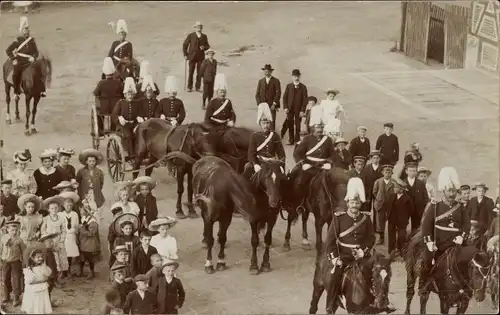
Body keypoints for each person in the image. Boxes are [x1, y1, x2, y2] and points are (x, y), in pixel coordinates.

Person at [324, 177, 376, 310]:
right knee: (334, 277)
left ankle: (377, 301)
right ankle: (330, 304)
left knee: (377, 273)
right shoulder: (338, 218)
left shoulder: (366, 218)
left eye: (357, 203)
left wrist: (363, 251)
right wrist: (334, 258)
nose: (354, 206)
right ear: (347, 203)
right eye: (352, 202)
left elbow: (371, 238)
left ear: (360, 204)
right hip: (343, 256)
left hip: (360, 256)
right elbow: (330, 241)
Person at [420, 167, 470, 293]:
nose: (452, 194)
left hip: (457, 244)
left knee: (470, 261)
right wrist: (429, 242)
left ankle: (468, 286)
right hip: (439, 243)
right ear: (443, 191)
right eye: (449, 191)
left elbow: (466, 223)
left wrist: (462, 236)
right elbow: (426, 225)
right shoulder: (435, 206)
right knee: (426, 260)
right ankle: (424, 285)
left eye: (454, 191)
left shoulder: (461, 206)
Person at [289, 105, 335, 208]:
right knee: (300, 182)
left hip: (324, 167)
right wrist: (304, 163)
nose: (320, 130)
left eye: (321, 127)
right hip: (310, 166)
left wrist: (329, 163)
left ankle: (335, 205)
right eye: (318, 127)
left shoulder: (327, 140)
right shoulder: (307, 139)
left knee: (336, 182)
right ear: (313, 128)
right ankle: (300, 204)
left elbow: (332, 154)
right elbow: (297, 153)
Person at [243, 102, 286, 179]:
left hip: (272, 163)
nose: (266, 126)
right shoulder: (255, 136)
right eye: (263, 123)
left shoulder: (275, 136)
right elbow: (251, 154)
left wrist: (280, 164)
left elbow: (281, 154)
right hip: (260, 162)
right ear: (260, 124)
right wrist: (255, 164)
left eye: (268, 123)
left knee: (284, 179)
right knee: (247, 170)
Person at [6, 16, 44, 100]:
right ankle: (16, 93)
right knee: (16, 73)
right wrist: (13, 59)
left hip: (30, 61)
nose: (26, 32)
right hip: (20, 61)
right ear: (22, 31)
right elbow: (8, 50)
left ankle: (41, 90)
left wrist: (34, 58)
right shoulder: (18, 40)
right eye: (25, 30)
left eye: (27, 30)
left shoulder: (31, 40)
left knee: (39, 69)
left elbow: (36, 52)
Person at [41, 195, 68, 280]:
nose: (54, 210)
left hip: (59, 241)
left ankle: (60, 276)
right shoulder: (46, 219)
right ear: (48, 209)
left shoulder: (61, 218)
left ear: (58, 208)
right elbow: (43, 231)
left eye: (56, 208)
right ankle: (53, 277)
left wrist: (61, 241)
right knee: (53, 260)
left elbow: (64, 230)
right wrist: (48, 239)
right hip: (49, 241)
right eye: (52, 208)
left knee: (61, 259)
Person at [94, 57, 123, 133]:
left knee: (98, 113)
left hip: (104, 109)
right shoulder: (118, 83)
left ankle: (100, 129)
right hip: (117, 108)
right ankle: (116, 128)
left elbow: (96, 93)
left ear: (104, 73)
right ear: (113, 73)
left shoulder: (101, 83)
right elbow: (123, 93)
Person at [113, 77, 140, 156]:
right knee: (128, 135)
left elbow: (140, 113)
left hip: (134, 123)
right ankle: (131, 153)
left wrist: (139, 118)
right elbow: (114, 114)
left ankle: (140, 151)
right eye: (128, 94)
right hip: (123, 125)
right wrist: (119, 118)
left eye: (132, 94)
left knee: (139, 133)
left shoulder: (136, 103)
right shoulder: (120, 103)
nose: (130, 96)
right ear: (125, 95)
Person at [76, 149, 106, 221]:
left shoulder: (99, 172)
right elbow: (78, 182)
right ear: (86, 162)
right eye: (90, 161)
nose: (92, 163)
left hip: (95, 193)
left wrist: (96, 189)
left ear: (96, 162)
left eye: (93, 161)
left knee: (96, 212)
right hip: (85, 194)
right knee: (85, 212)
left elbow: (101, 183)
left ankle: (95, 226)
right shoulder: (81, 171)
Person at [0, 220, 25, 306]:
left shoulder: (19, 240)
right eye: (12, 230)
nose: (14, 232)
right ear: (7, 229)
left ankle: (16, 298)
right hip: (5, 262)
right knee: (5, 278)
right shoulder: (3, 238)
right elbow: (0, 249)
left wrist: (24, 261)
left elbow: (24, 252)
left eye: (16, 230)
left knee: (16, 279)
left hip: (16, 262)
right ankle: (6, 296)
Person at [386, 178, 413, 256]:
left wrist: (406, 217)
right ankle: (391, 250)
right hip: (392, 219)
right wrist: (388, 215)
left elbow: (411, 210)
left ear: (401, 190)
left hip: (402, 220)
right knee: (391, 235)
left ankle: (401, 250)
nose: (394, 188)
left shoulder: (407, 199)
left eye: (396, 187)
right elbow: (388, 206)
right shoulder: (392, 196)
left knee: (401, 236)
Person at [21, 248, 52, 314]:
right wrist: (30, 271)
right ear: (32, 258)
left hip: (42, 288)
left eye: (41, 257)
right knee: (35, 304)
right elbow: (29, 281)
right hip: (33, 289)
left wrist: (44, 266)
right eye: (38, 257)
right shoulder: (28, 269)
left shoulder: (43, 267)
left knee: (42, 303)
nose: (40, 258)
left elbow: (48, 274)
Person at [182, 21, 210, 92]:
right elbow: (185, 45)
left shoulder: (204, 36)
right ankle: (189, 87)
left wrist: (204, 47)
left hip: (200, 57)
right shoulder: (191, 35)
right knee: (191, 72)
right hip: (192, 57)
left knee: (200, 72)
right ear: (195, 28)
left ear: (202, 28)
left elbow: (208, 46)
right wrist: (185, 54)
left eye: (200, 27)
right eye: (197, 27)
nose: (199, 28)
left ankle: (198, 87)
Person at [282, 69, 308, 145]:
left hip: (298, 109)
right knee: (290, 124)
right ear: (292, 77)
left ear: (299, 76)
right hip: (289, 109)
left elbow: (305, 100)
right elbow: (284, 98)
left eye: (297, 76)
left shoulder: (303, 87)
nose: (296, 78)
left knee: (298, 125)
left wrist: (302, 110)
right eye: (294, 76)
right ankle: (291, 140)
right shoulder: (289, 86)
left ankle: (297, 140)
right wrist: (285, 107)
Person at [59, 191, 80, 278]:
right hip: (63, 236)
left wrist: (76, 231)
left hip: (71, 236)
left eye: (70, 205)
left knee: (70, 254)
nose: (69, 207)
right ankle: (63, 271)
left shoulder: (75, 214)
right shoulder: (60, 214)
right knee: (63, 254)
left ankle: (68, 270)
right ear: (63, 205)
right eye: (67, 205)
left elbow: (77, 226)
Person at [372, 165, 395, 245]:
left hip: (390, 205)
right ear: (382, 173)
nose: (387, 174)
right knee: (380, 222)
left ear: (392, 173)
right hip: (380, 204)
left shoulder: (394, 182)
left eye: (389, 172)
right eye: (386, 172)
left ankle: (392, 239)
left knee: (391, 221)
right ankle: (381, 238)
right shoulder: (378, 181)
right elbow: (374, 192)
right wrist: (379, 198)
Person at [255, 64, 282, 131]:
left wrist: (274, 104)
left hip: (271, 106)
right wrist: (259, 104)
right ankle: (264, 137)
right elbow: (257, 94)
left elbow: (278, 93)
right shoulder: (261, 81)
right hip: (262, 106)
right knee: (263, 122)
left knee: (271, 122)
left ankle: (272, 137)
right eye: (265, 71)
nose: (266, 73)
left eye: (268, 71)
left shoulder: (276, 81)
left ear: (271, 72)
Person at [404, 162, 429, 232]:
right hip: (405, 208)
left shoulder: (421, 183)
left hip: (418, 209)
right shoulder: (403, 183)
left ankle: (414, 241)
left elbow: (425, 197)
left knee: (417, 227)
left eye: (414, 171)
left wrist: (425, 207)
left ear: (416, 172)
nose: (412, 173)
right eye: (410, 171)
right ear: (406, 171)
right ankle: (403, 240)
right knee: (403, 226)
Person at [78, 204, 100, 279]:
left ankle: (92, 272)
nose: (81, 214)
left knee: (90, 259)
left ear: (87, 212)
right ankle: (81, 271)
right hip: (84, 243)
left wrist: (81, 230)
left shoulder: (93, 221)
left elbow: (92, 233)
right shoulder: (84, 219)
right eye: (81, 213)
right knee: (82, 258)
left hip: (90, 243)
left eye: (83, 212)